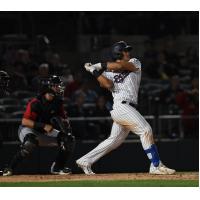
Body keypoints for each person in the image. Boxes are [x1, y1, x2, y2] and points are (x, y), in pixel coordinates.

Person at [76, 41, 175, 175]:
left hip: (128, 108)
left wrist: (98, 65)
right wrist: (94, 71)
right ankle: (156, 165)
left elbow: (121, 65)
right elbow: (107, 84)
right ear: (118, 53)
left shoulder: (135, 62)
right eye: (125, 50)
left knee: (114, 141)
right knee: (145, 130)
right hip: (121, 107)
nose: (128, 52)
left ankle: (85, 160)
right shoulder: (107, 72)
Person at [2, 75, 75, 176]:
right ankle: (9, 168)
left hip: (44, 132)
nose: (59, 88)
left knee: (69, 140)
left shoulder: (58, 102)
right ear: (49, 87)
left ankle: (57, 168)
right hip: (28, 129)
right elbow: (24, 121)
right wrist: (43, 125)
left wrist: (66, 126)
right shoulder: (36, 102)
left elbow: (63, 118)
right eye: (56, 85)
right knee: (30, 143)